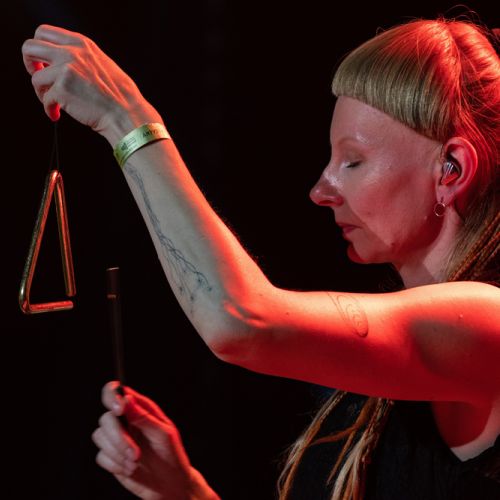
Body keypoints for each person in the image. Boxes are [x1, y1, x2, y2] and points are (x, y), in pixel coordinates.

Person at [22, 15, 499, 500]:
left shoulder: (490, 322)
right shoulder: (396, 373)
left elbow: (240, 321)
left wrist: (124, 118)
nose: (321, 191)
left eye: (352, 161)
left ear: (451, 169)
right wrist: (186, 493)